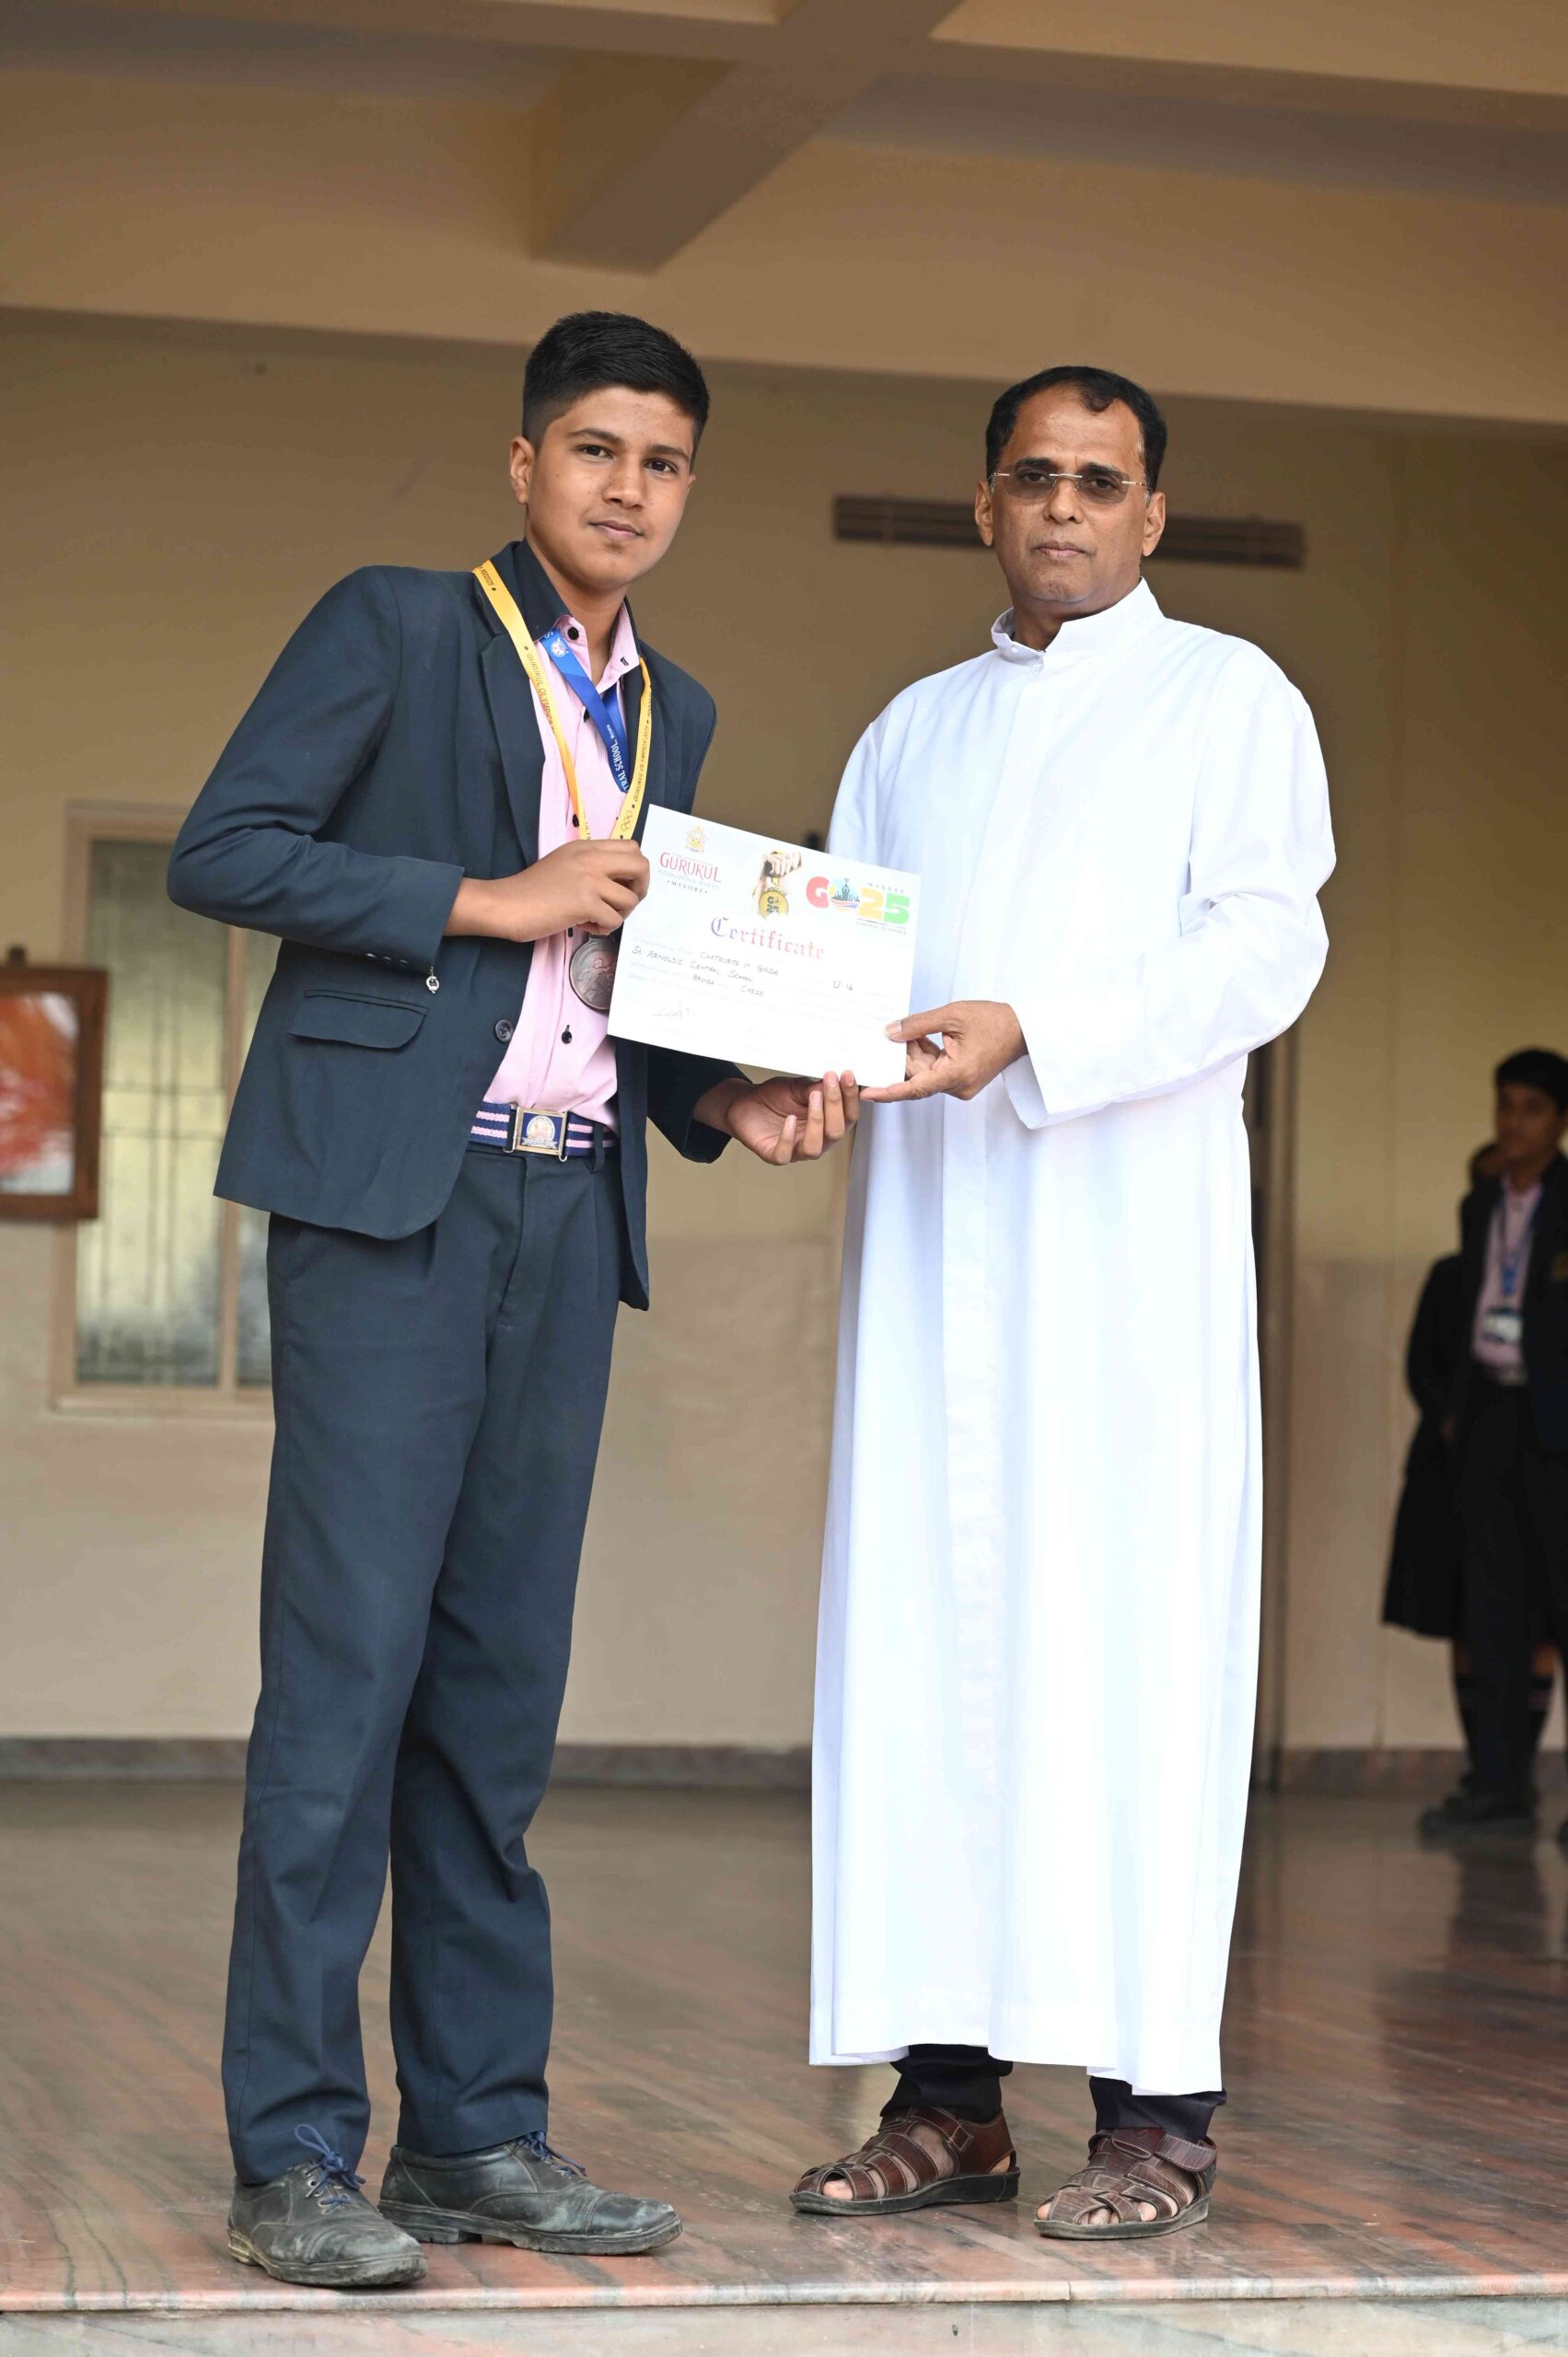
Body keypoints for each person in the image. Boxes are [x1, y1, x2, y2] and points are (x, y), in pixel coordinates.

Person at [168, 310, 858, 2291]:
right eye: (594, 449)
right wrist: (488, 896)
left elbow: (626, 982)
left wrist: (722, 1095)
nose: (627, 487)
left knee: (493, 1690)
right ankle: (294, 2152)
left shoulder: (673, 711)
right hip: (396, 1203)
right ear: (523, 463)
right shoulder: (397, 624)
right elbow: (228, 849)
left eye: (663, 460)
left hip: (568, 1207)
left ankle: (472, 2129)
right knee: (345, 1679)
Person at [792, 365, 1333, 2239]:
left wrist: (1041, 1028)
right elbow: (837, 965)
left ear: (1150, 513)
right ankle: (946, 2106)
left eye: (1101, 482)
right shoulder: (908, 733)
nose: (1064, 508)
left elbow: (1264, 945)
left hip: (1123, 1278)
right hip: (929, 1261)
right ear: (983, 503)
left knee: (1122, 1657)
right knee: (922, 1654)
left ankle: (1151, 2119)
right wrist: (776, 1059)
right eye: (1033, 476)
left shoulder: (1226, 697)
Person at [1420, 1051, 1568, 1837]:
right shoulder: (1479, 1205)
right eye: (1504, 1104)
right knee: (1491, 1607)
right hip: (1490, 1420)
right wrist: (1454, 1412)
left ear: (1560, 1122)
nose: (1512, 1122)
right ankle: (1499, 1786)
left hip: (1556, 1431)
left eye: (1531, 1108)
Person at [1384, 1144, 1557, 1808]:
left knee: (1540, 1617)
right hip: (1466, 1459)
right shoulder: (1453, 1275)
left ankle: (1513, 1773)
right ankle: (1492, 1774)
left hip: (1538, 1452)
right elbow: (1424, 1365)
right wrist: (1453, 1415)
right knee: (1473, 1612)